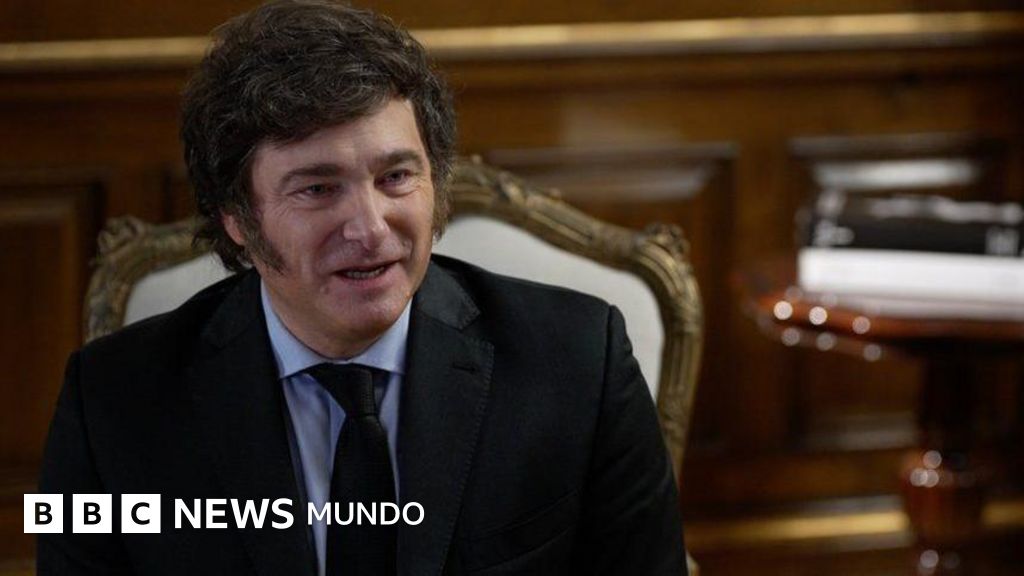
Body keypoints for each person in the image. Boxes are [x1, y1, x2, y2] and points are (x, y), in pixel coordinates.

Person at [37, 1, 686, 574]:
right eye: (319, 188)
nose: (371, 229)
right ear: (237, 219)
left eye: (396, 177)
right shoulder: (111, 404)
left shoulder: (580, 361)